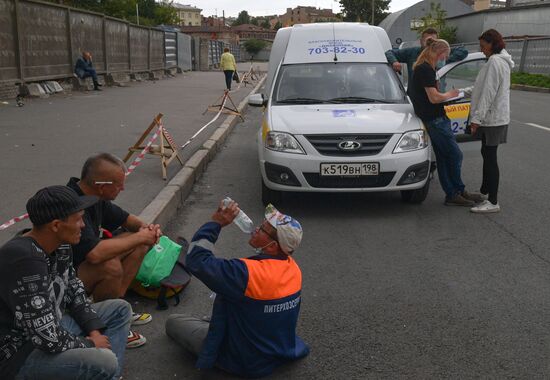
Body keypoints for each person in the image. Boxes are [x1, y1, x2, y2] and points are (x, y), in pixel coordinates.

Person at [0, 186, 132, 380]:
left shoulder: (60, 244)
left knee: (120, 309)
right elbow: (46, 338)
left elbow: (74, 290)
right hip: (20, 355)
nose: (83, 226)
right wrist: (90, 344)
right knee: (105, 360)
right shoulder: (23, 260)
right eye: (78, 219)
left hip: (52, 329)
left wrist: (94, 331)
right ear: (55, 225)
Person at [166, 202, 309, 378]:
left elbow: (196, 260)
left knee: (173, 321)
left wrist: (216, 223)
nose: (256, 229)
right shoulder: (293, 268)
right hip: (278, 346)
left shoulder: (246, 273)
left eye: (262, 229)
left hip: (244, 358)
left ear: (272, 246)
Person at [66, 153, 161, 348]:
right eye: (119, 184)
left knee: (140, 242)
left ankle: (118, 307)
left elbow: (127, 220)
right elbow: (94, 254)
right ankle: (108, 323)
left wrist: (148, 230)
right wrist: (141, 236)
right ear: (102, 186)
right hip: (62, 279)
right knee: (109, 266)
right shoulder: (71, 203)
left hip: (80, 268)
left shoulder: (94, 197)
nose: (123, 188)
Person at [408, 39, 484, 206]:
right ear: (440, 53)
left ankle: (455, 192)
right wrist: (451, 94)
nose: (445, 58)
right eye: (446, 55)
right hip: (435, 120)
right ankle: (455, 191)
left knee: (443, 157)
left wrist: (446, 97)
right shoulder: (425, 69)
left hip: (434, 118)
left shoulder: (424, 68)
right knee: (455, 154)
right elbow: (434, 98)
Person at [462, 29, 514, 213]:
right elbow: (481, 87)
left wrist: (476, 119)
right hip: (495, 117)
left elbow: (488, 93)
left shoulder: (495, 62)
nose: (482, 50)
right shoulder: (501, 61)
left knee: (490, 158)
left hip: (492, 119)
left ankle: (493, 202)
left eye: (484, 46)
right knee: (487, 153)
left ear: (493, 44)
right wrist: (462, 92)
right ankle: (485, 190)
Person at [385, 27, 468, 90]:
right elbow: (390, 52)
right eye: (428, 41)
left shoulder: (442, 53)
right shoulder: (412, 52)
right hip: (416, 98)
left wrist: (444, 59)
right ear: (421, 41)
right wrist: (394, 62)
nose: (431, 44)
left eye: (434, 41)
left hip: (437, 96)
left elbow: (463, 51)